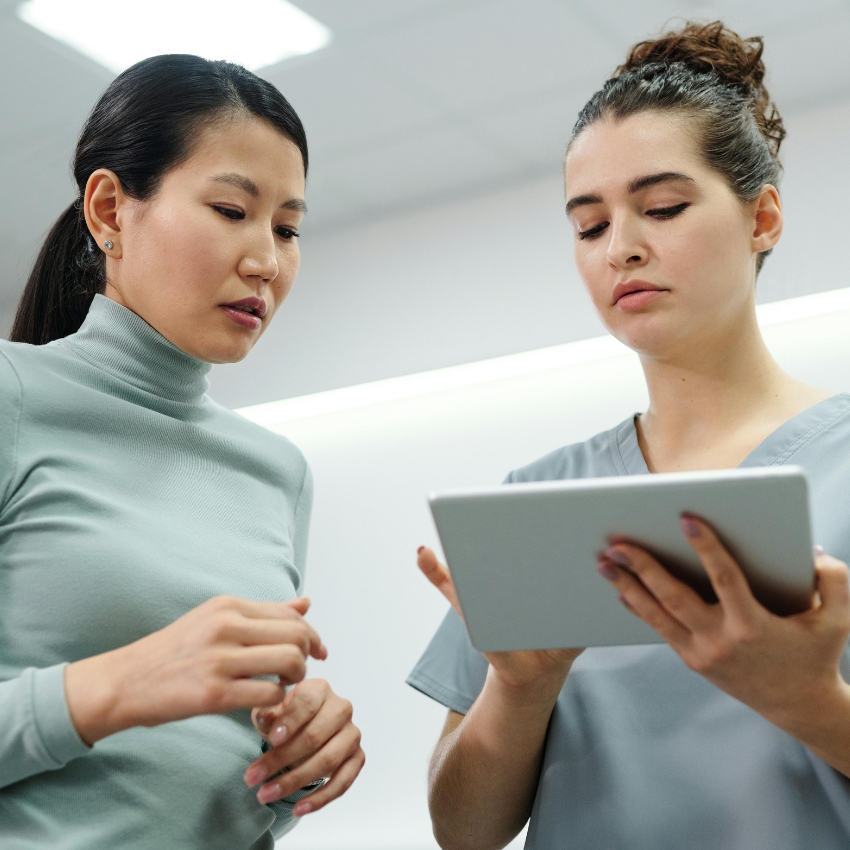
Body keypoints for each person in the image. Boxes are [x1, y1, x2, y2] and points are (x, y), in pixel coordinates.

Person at [408, 21, 850, 850]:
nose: (623, 249)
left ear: (764, 219)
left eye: (662, 207)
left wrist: (809, 703)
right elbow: (463, 832)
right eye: (588, 225)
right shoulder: (538, 501)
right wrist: (519, 688)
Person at [0, 55, 364, 849]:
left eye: (288, 227)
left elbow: (191, 782)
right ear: (109, 210)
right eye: (232, 209)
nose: (266, 259)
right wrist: (120, 684)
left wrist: (297, 757)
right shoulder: (11, 395)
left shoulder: (279, 472)